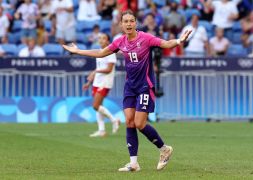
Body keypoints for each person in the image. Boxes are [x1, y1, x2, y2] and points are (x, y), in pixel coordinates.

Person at [62, 10, 191, 172]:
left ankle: (164, 149)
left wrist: (179, 40)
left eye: (131, 21)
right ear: (121, 24)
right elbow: (101, 53)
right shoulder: (120, 41)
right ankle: (134, 163)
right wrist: (78, 51)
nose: (129, 24)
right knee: (129, 122)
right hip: (130, 87)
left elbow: (165, 43)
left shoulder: (146, 38)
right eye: (126, 22)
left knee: (139, 123)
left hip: (145, 85)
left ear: (136, 23)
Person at [82, 33, 120, 137]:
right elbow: (99, 68)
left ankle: (114, 120)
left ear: (108, 41)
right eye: (99, 38)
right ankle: (102, 130)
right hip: (97, 82)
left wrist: (95, 72)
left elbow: (108, 70)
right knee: (99, 106)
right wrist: (89, 82)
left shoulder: (111, 52)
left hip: (105, 82)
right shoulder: (99, 52)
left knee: (95, 106)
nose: (101, 40)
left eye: (104, 38)